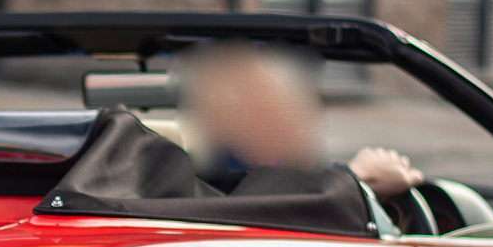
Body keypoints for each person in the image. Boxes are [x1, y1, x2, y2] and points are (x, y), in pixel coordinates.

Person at [182, 39, 425, 199]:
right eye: (271, 108)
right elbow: (259, 206)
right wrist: (355, 177)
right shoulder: (218, 183)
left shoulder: (279, 169)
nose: (302, 121)